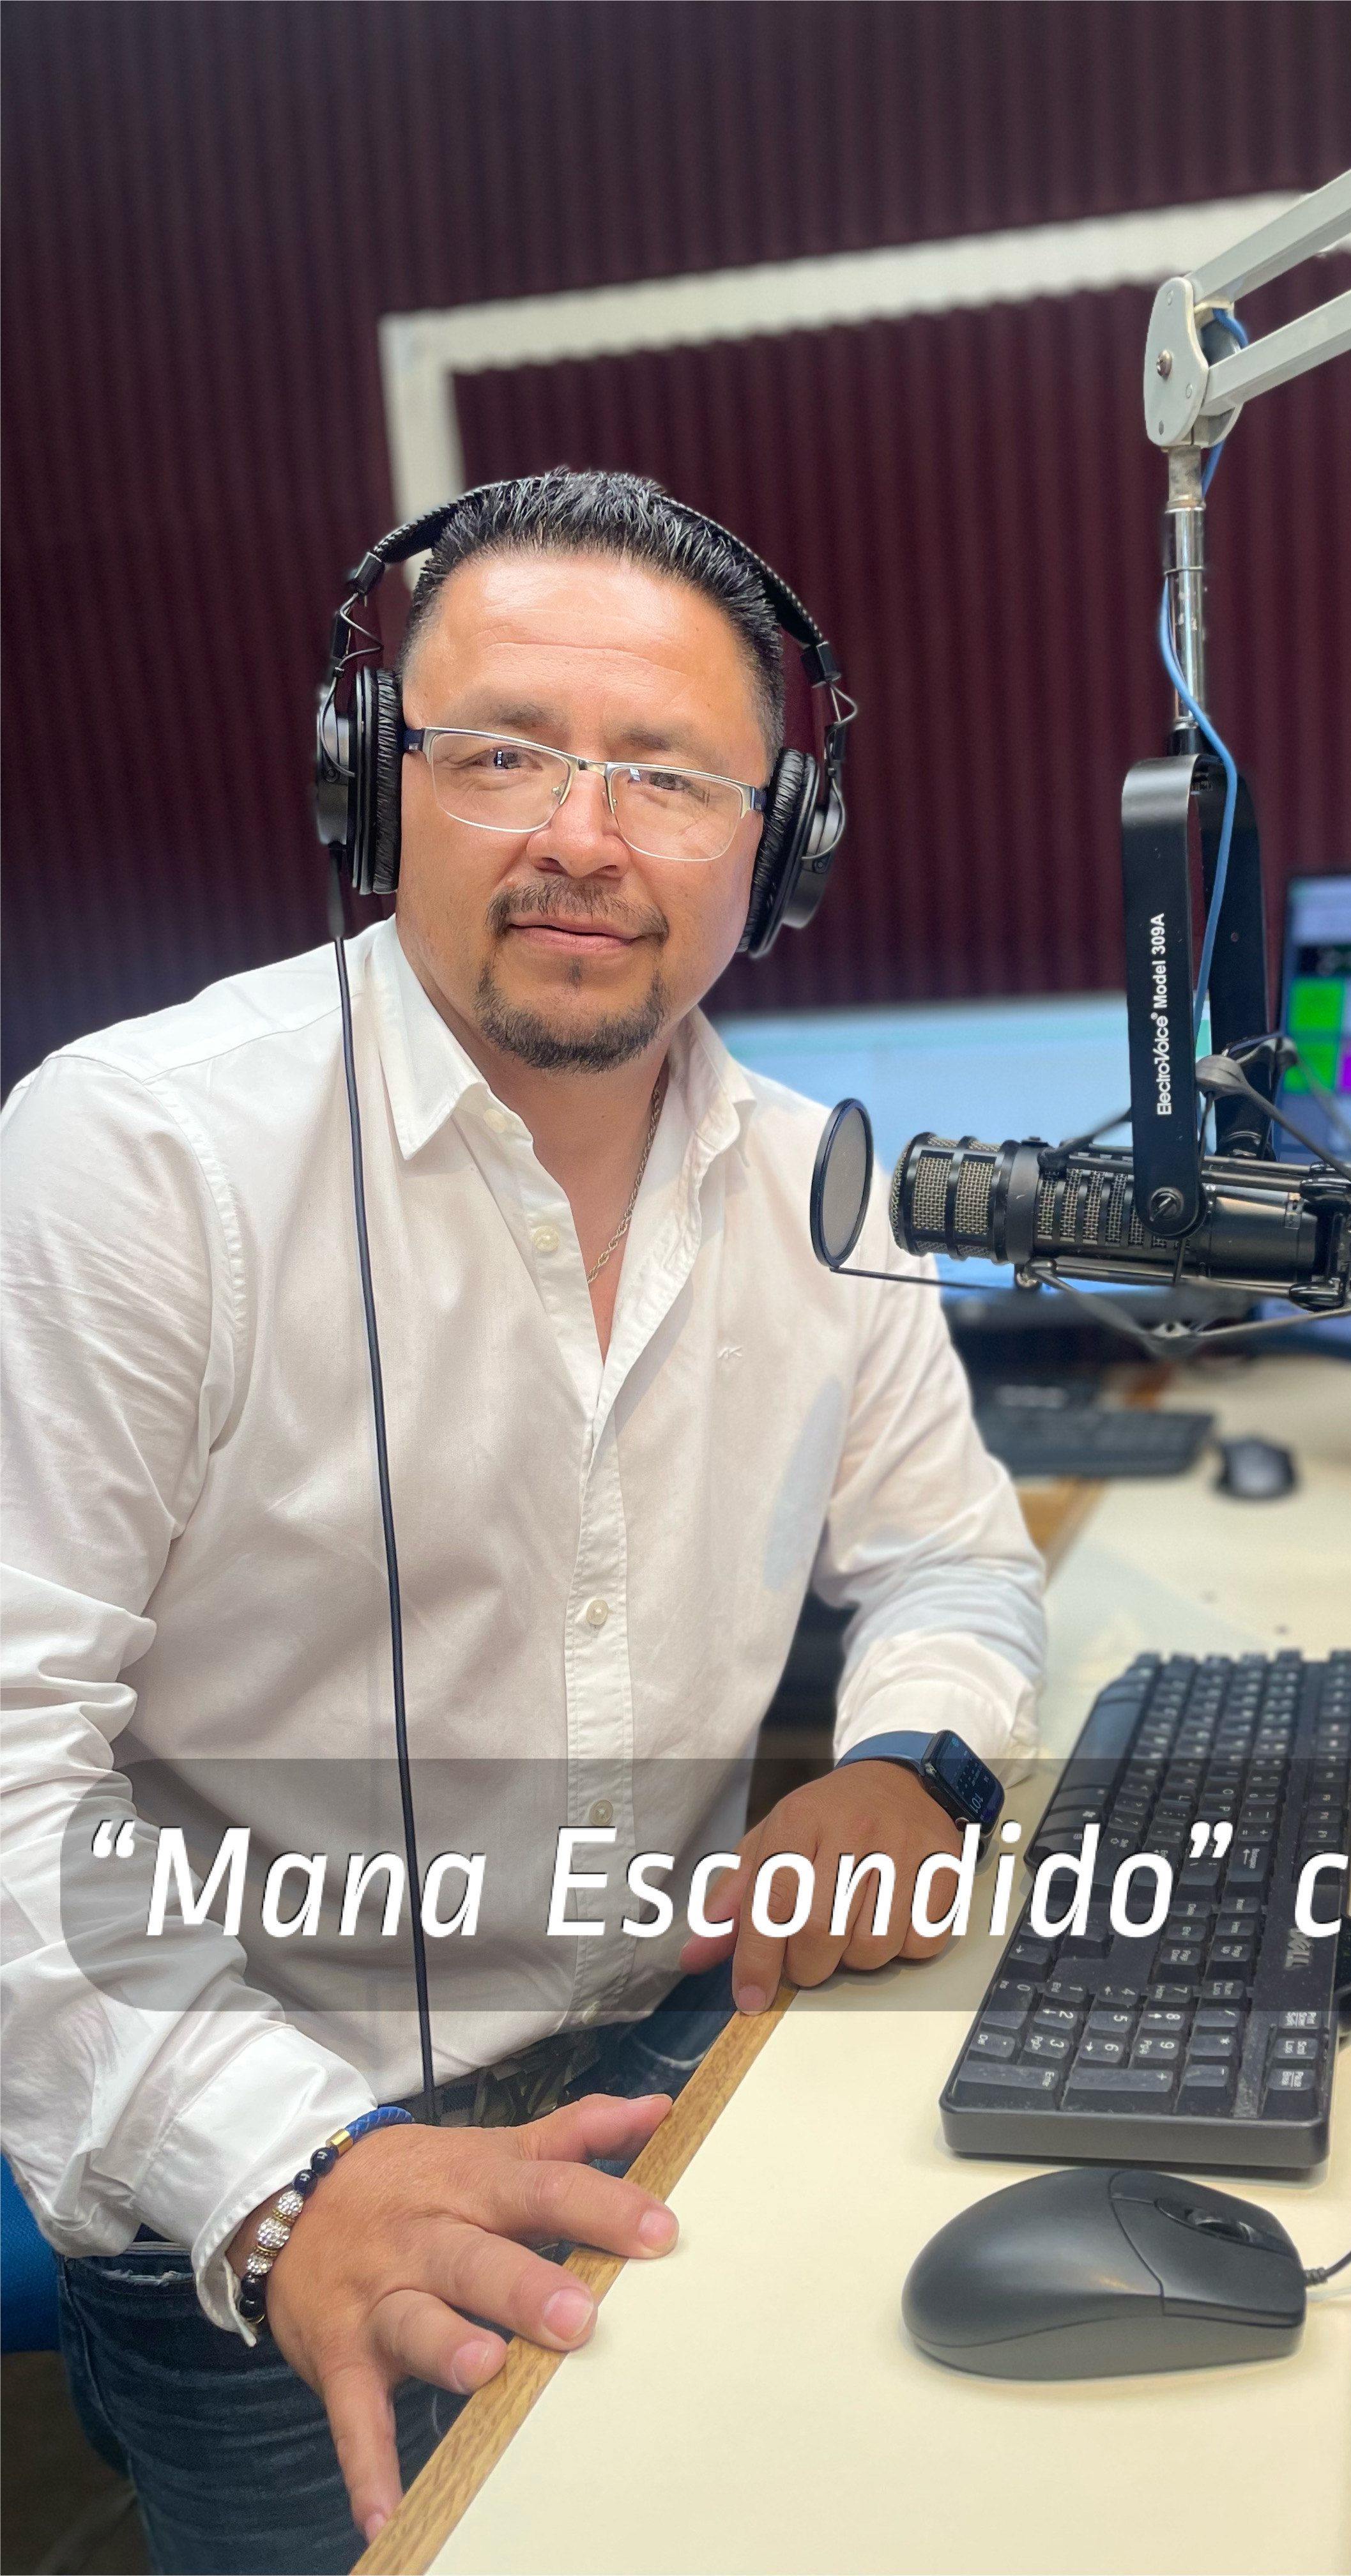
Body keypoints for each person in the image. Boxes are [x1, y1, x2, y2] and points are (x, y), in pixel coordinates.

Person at [1, 468, 1046, 2572]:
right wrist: (284, 2174)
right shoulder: (137, 1158)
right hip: (269, 2160)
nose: (582, 833)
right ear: (375, 792)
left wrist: (915, 1762)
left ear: (780, 841)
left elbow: (953, 1555)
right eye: (500, 755)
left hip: (682, 2059)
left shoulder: (821, 1183)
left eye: (667, 773)